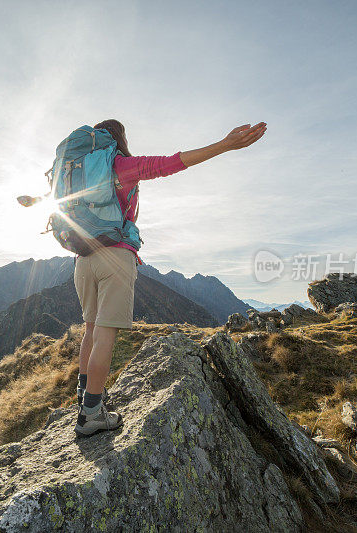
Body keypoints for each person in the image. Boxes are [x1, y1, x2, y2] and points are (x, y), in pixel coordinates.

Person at [74, 118, 267, 437]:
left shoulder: (77, 171)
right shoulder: (122, 165)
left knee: (90, 329)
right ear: (119, 139)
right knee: (105, 334)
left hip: (82, 258)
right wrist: (224, 145)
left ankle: (85, 397)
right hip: (115, 257)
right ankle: (91, 413)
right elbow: (170, 164)